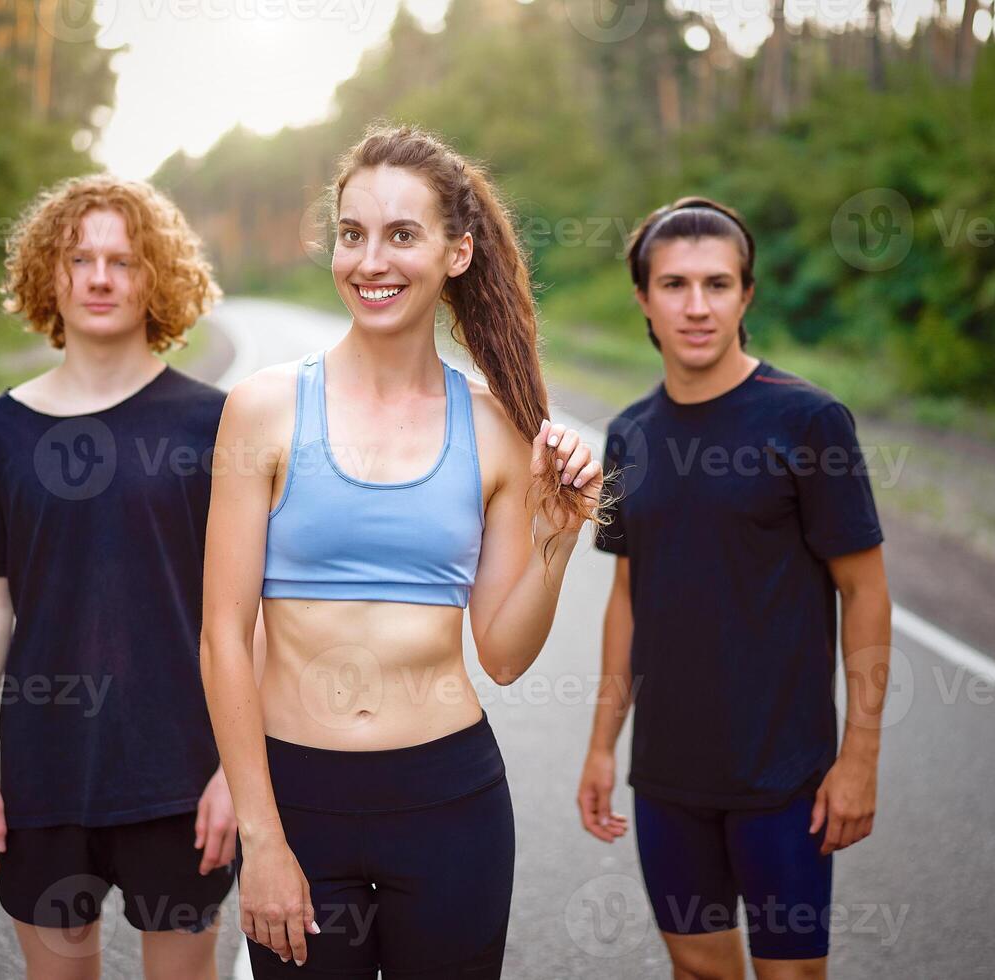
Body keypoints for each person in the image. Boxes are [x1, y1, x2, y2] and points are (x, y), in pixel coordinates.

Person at [198, 125, 607, 978]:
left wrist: (558, 540)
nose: (369, 261)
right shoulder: (263, 411)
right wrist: (261, 838)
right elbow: (223, 640)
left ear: (457, 253)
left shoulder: (496, 429)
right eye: (353, 234)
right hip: (299, 802)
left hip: (450, 804)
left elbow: (502, 653)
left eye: (401, 235)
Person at [577, 198, 894, 980]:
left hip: (784, 775)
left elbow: (866, 591)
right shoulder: (628, 436)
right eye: (674, 284)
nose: (695, 306)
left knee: (789, 975)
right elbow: (627, 596)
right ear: (644, 299)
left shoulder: (809, 421)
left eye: (717, 285)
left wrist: (860, 756)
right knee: (699, 970)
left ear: (746, 296)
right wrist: (599, 745)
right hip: (669, 776)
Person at [0, 174, 240, 980]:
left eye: (124, 261)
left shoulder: (213, 424)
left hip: (179, 776)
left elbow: (250, 611)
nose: (100, 278)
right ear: (49, 275)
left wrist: (235, 772)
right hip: (45, 776)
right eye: (79, 258)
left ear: (156, 279)